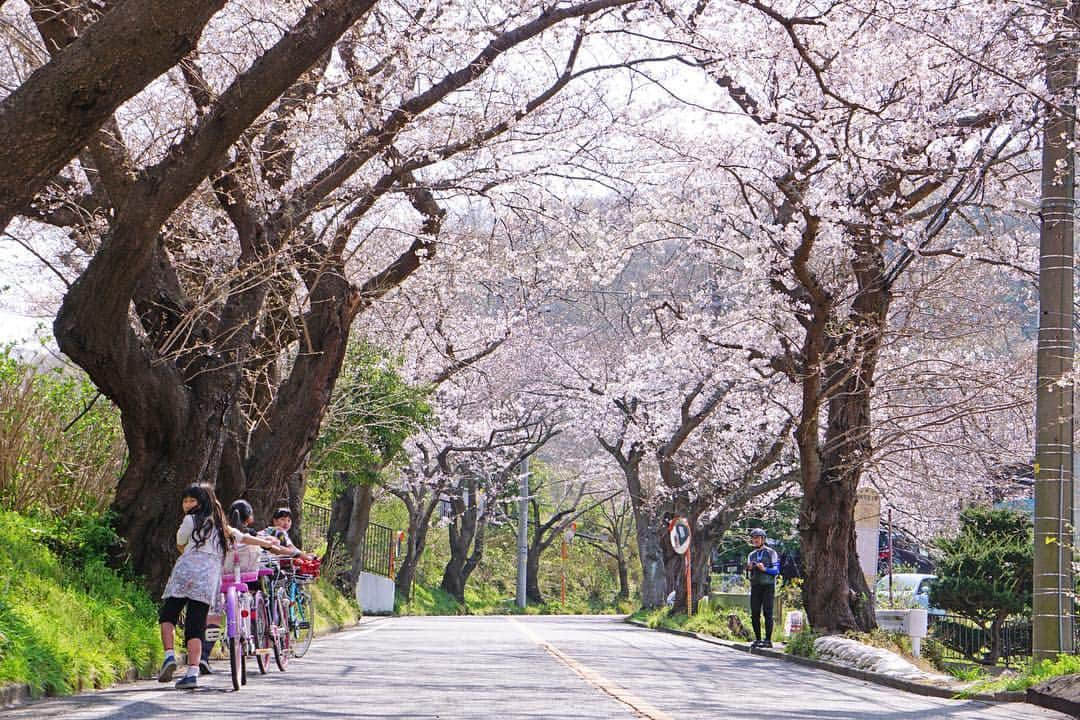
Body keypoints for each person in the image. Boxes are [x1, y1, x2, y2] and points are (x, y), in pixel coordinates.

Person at [158, 484, 232, 689]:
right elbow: (239, 539)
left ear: (200, 503)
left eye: (191, 501)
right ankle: (192, 673)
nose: (188, 504)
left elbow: (180, 541)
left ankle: (169, 655)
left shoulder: (190, 520)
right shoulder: (221, 527)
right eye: (186, 500)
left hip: (186, 573)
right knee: (195, 626)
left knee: (168, 615)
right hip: (207, 579)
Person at [746, 527, 780, 648]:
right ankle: (757, 639)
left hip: (768, 586)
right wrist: (749, 568)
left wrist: (764, 569)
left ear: (763, 539)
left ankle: (768, 640)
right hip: (755, 586)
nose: (755, 540)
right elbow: (748, 571)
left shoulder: (771, 552)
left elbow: (776, 570)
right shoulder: (751, 555)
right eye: (753, 538)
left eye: (757, 538)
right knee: (754, 613)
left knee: (767, 612)